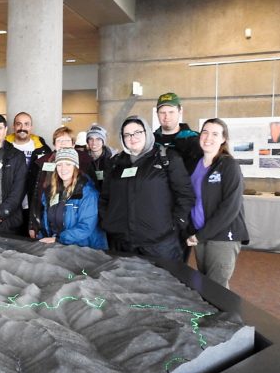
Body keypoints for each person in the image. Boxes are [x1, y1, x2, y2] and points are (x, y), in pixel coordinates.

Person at [100, 115, 194, 261]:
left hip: (160, 243)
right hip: (122, 242)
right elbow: (105, 197)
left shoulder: (167, 158)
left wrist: (176, 224)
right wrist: (108, 221)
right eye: (127, 134)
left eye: (138, 132)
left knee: (163, 282)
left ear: (147, 133)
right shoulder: (115, 163)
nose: (133, 137)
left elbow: (185, 194)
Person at [185, 118, 249, 288]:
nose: (208, 137)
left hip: (222, 237)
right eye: (205, 132)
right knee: (204, 284)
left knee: (217, 288)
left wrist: (201, 235)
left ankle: (225, 316)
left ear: (223, 139)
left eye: (215, 134)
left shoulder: (229, 165)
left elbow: (230, 207)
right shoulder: (195, 164)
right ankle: (209, 316)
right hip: (200, 235)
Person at [36, 148, 107, 249]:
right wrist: (42, 238)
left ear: (75, 167)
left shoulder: (88, 193)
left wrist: (58, 239)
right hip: (60, 247)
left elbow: (86, 227)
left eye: (68, 164)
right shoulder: (51, 191)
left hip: (87, 250)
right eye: (59, 164)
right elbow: (46, 220)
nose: (63, 169)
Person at [27, 127, 91, 238]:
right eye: (59, 140)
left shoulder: (85, 160)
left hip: (75, 223)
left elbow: (90, 196)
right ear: (54, 144)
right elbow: (37, 193)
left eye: (66, 140)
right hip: (50, 218)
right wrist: (33, 224)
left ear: (73, 144)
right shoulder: (44, 162)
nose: (63, 144)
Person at [154, 92, 202, 174]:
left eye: (171, 112)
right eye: (162, 112)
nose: (167, 117)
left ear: (180, 111)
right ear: (157, 113)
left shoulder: (196, 140)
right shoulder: (150, 141)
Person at [85, 124, 114, 189]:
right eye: (91, 139)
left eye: (98, 139)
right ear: (87, 141)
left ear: (103, 142)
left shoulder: (112, 159)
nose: (94, 143)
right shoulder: (83, 160)